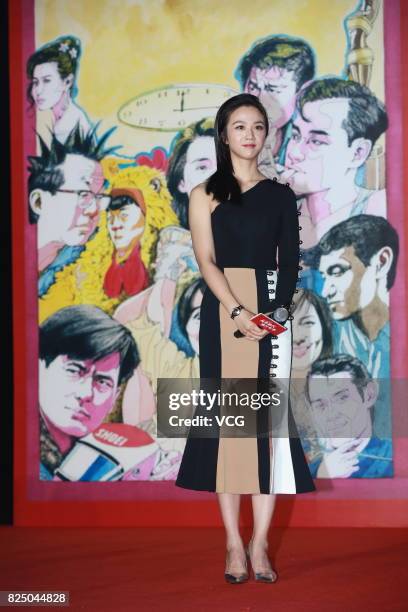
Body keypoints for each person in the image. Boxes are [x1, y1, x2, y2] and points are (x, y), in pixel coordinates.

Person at [174, 93, 315, 584]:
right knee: (231, 432)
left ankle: (260, 546)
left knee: (269, 434)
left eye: (258, 126)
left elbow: (290, 264)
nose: (250, 135)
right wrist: (237, 311)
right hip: (223, 314)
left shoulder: (280, 195)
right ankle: (233, 544)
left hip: (273, 316)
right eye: (240, 126)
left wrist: (273, 318)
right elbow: (206, 260)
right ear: (224, 134)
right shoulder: (204, 194)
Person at [279, 77, 388, 250]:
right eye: (295, 136)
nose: (294, 153)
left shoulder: (379, 209)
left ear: (358, 153)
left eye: (316, 142)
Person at [39, 305, 139, 479]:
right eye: (73, 370)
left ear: (115, 397)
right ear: (39, 368)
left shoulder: (106, 460)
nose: (85, 393)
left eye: (102, 381)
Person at [28, 124, 115, 298]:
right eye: (83, 195)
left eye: (99, 198)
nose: (93, 211)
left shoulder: (87, 269)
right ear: (39, 202)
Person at [235, 35, 315, 176]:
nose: (258, 99)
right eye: (253, 87)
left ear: (302, 92)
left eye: (272, 89)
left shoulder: (312, 139)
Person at [304, 355, 392, 478]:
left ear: (369, 395)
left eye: (342, 398)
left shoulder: (393, 459)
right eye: (320, 405)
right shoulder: (313, 471)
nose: (331, 415)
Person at [27, 35, 93, 144]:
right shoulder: (62, 119)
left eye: (47, 81)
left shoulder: (71, 125)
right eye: (35, 82)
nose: (38, 90)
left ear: (67, 82)